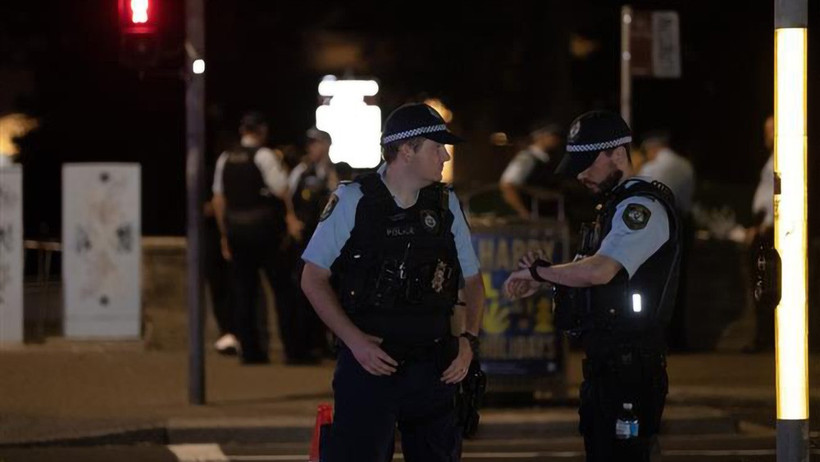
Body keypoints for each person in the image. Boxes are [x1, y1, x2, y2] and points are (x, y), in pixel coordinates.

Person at [301, 103, 485, 462]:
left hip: (434, 366)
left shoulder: (446, 204)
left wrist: (468, 341)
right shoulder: (354, 200)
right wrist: (355, 343)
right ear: (406, 150)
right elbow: (312, 278)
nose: (446, 156)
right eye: (437, 147)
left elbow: (473, 281)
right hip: (371, 363)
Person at [503, 110, 681, 461]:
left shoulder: (641, 207)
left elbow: (599, 271)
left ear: (617, 152)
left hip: (631, 367)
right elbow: (597, 280)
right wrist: (545, 280)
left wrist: (540, 273)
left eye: (587, 163)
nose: (580, 174)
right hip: (608, 364)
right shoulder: (612, 208)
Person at [212, 111, 311, 365]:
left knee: (244, 293)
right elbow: (281, 188)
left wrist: (224, 234)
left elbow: (219, 199)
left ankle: (251, 352)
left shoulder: (225, 158)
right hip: (264, 232)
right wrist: (288, 216)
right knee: (282, 289)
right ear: (262, 130)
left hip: (236, 230)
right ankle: (294, 350)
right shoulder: (263, 155)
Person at [638, 132, 695, 351]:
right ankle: (677, 338)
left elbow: (635, 188)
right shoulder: (685, 165)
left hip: (659, 223)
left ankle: (657, 337)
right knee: (678, 283)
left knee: (654, 281)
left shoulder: (652, 168)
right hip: (682, 223)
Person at [288, 127, 337, 356]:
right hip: (304, 238)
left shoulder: (332, 172)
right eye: (309, 144)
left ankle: (323, 342)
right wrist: (292, 222)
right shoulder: (301, 171)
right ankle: (304, 343)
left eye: (316, 144)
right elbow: (287, 198)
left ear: (326, 145)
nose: (311, 149)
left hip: (325, 240)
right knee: (303, 289)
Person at [745, 114, 775, 353]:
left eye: (770, 130)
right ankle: (763, 336)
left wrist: (764, 225)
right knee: (761, 283)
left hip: (769, 229)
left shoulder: (783, 158)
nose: (766, 136)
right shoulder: (772, 159)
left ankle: (766, 338)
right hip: (763, 226)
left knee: (766, 282)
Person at [499, 122, 563, 220]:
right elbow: (507, 186)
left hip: (548, 217)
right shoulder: (526, 158)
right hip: (534, 220)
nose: (556, 139)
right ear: (540, 136)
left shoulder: (547, 159)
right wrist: (523, 213)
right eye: (551, 135)